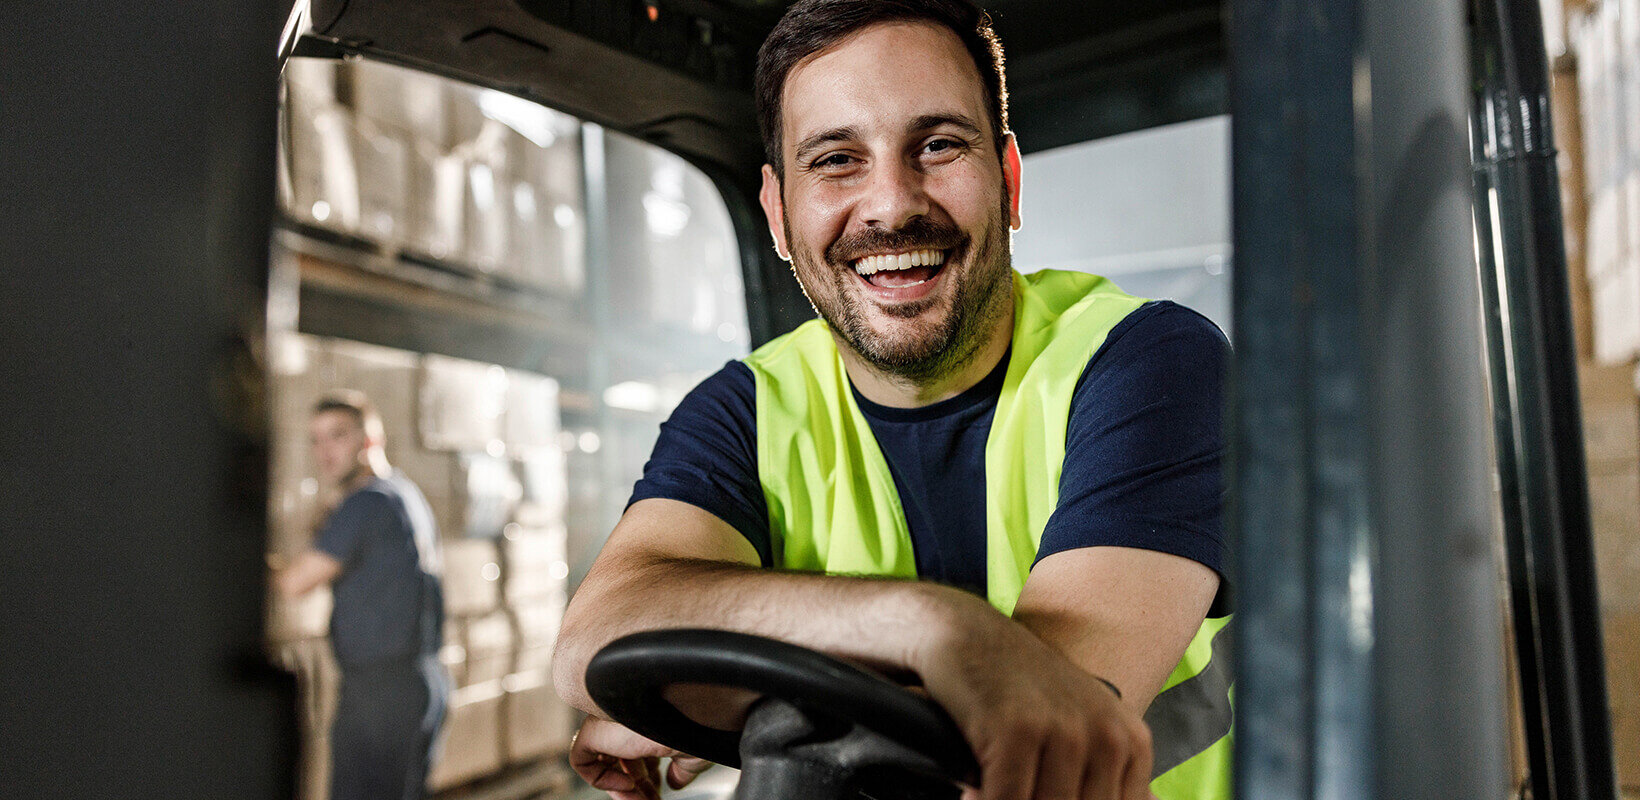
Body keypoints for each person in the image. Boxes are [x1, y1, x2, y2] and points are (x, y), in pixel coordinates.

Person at [551, 1, 1232, 799]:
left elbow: (1030, 726)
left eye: (938, 145)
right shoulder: (748, 407)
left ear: (1009, 182)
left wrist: (731, 691)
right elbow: (597, 637)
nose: (891, 204)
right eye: (837, 159)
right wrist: (929, 627)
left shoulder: (1148, 362)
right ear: (777, 214)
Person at [275, 391, 449, 800]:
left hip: (380, 694)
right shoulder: (403, 493)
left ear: (370, 439)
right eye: (316, 440)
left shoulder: (366, 503)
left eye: (337, 436)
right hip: (419, 682)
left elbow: (295, 583)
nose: (324, 451)